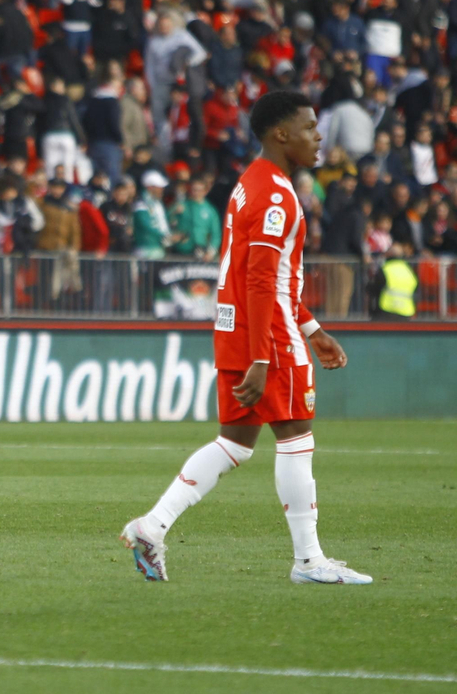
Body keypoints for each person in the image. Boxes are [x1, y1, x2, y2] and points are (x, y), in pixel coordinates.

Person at [119, 91, 372, 586]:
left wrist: (314, 329)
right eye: (309, 127)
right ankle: (308, 560)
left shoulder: (250, 184)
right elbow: (261, 281)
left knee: (235, 442)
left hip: (239, 328)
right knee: (296, 434)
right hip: (267, 336)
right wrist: (264, 355)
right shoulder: (276, 194)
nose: (319, 137)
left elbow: (266, 275)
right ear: (281, 134)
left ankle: (152, 526)